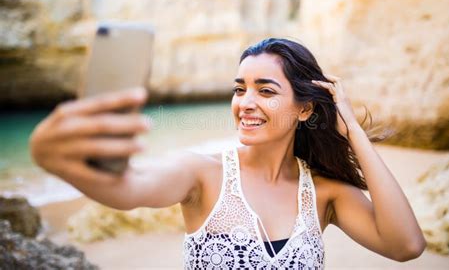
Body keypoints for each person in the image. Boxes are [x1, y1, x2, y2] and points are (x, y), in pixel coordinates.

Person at [30, 38, 426, 269]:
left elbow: (405, 246)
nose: (246, 103)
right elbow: (130, 189)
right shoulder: (202, 174)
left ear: (305, 109)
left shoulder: (324, 193)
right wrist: (61, 159)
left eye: (266, 91)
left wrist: (352, 129)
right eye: (240, 89)